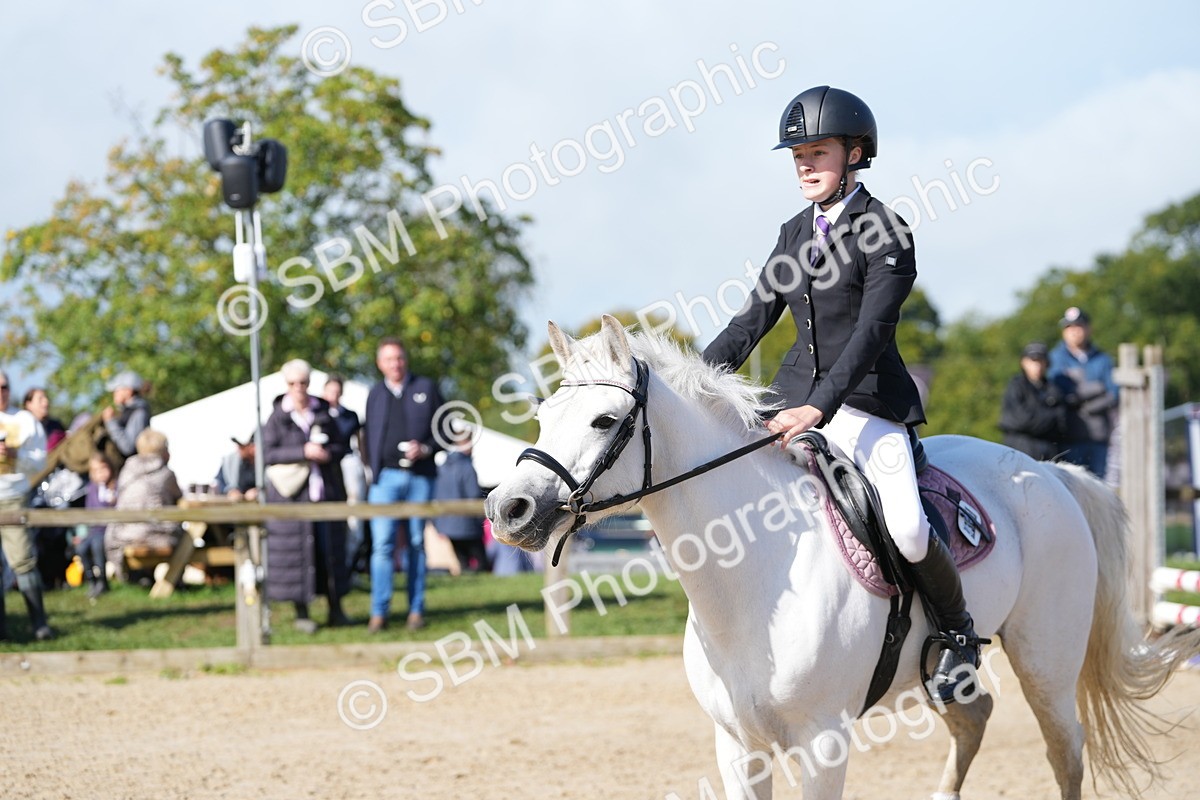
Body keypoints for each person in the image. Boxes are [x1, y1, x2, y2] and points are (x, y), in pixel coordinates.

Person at [700, 86, 984, 703]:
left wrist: (818, 406)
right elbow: (753, 320)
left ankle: (957, 637)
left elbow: (871, 332)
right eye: (796, 153)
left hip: (866, 405)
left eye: (818, 151)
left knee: (907, 527)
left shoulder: (887, 231)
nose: (804, 163)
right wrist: (693, 383)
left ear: (855, 154)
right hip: (790, 400)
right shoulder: (794, 230)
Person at [262, 359, 351, 633]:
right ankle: (302, 613)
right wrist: (303, 452)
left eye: (303, 382)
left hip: (326, 495)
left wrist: (327, 454)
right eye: (293, 383)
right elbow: (267, 454)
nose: (299, 388)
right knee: (297, 557)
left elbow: (342, 446)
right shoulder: (276, 417)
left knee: (330, 555)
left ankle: (336, 609)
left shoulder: (323, 413)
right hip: (292, 500)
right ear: (286, 384)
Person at [363, 337, 444, 632]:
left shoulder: (426, 387)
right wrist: (370, 472)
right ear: (379, 363)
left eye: (398, 358)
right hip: (384, 480)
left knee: (415, 544)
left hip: (420, 477)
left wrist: (425, 449)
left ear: (405, 359)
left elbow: (445, 430)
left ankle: (415, 611)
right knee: (382, 545)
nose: (394, 364)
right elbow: (367, 437)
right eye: (388, 359)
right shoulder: (374, 394)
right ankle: (378, 613)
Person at [0, 372, 54, 640]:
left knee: (22, 559)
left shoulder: (23, 421)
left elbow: (39, 463)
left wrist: (15, 454)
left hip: (12, 496)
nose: (0, 392)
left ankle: (39, 623)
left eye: (4, 387)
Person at [1048, 307, 1118, 478]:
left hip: (1097, 436)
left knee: (1098, 489)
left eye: (1078, 326)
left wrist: (1086, 405)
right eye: (1069, 327)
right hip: (1068, 436)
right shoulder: (1055, 358)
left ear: (1088, 328)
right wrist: (1096, 388)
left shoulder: (1103, 359)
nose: (1074, 332)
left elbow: (1113, 394)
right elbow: (1060, 392)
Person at [105, 428, 183, 582]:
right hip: (155, 533)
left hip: (123, 533)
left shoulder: (127, 469)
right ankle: (176, 579)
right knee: (184, 535)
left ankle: (143, 576)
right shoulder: (166, 473)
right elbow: (179, 497)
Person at [323, 374, 366, 575]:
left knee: (353, 518)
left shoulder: (350, 416)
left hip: (347, 469)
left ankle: (349, 566)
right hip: (326, 470)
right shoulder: (317, 413)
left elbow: (359, 442)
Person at [998, 342, 1067, 461]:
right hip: (1020, 451)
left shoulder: (1053, 389)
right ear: (1023, 362)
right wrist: (1048, 418)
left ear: (1047, 363)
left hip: (1048, 453)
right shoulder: (1016, 386)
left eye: (1040, 361)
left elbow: (1062, 423)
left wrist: (1037, 418)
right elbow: (1020, 420)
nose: (1037, 365)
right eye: (1032, 361)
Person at [433, 425, 487, 573]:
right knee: (482, 564)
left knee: (463, 563)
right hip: (468, 525)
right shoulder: (466, 467)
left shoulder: (442, 467)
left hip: (448, 524)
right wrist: (480, 521)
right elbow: (474, 495)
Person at [76, 452, 117, 599]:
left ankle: (102, 581)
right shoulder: (92, 489)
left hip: (109, 529)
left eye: (103, 468)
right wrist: (81, 534)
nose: (101, 473)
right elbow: (89, 511)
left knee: (97, 546)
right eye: (96, 470)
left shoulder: (115, 487)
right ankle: (91, 580)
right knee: (81, 548)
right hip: (93, 529)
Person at [101, 370, 151, 466]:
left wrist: (110, 422)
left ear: (128, 391)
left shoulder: (138, 412)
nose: (114, 394)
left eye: (117, 390)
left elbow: (128, 447)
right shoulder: (128, 411)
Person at [214, 435, 259, 501]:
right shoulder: (229, 460)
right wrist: (230, 490)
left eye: (243, 447)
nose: (239, 449)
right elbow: (220, 481)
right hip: (235, 502)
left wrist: (258, 491)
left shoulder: (264, 461)